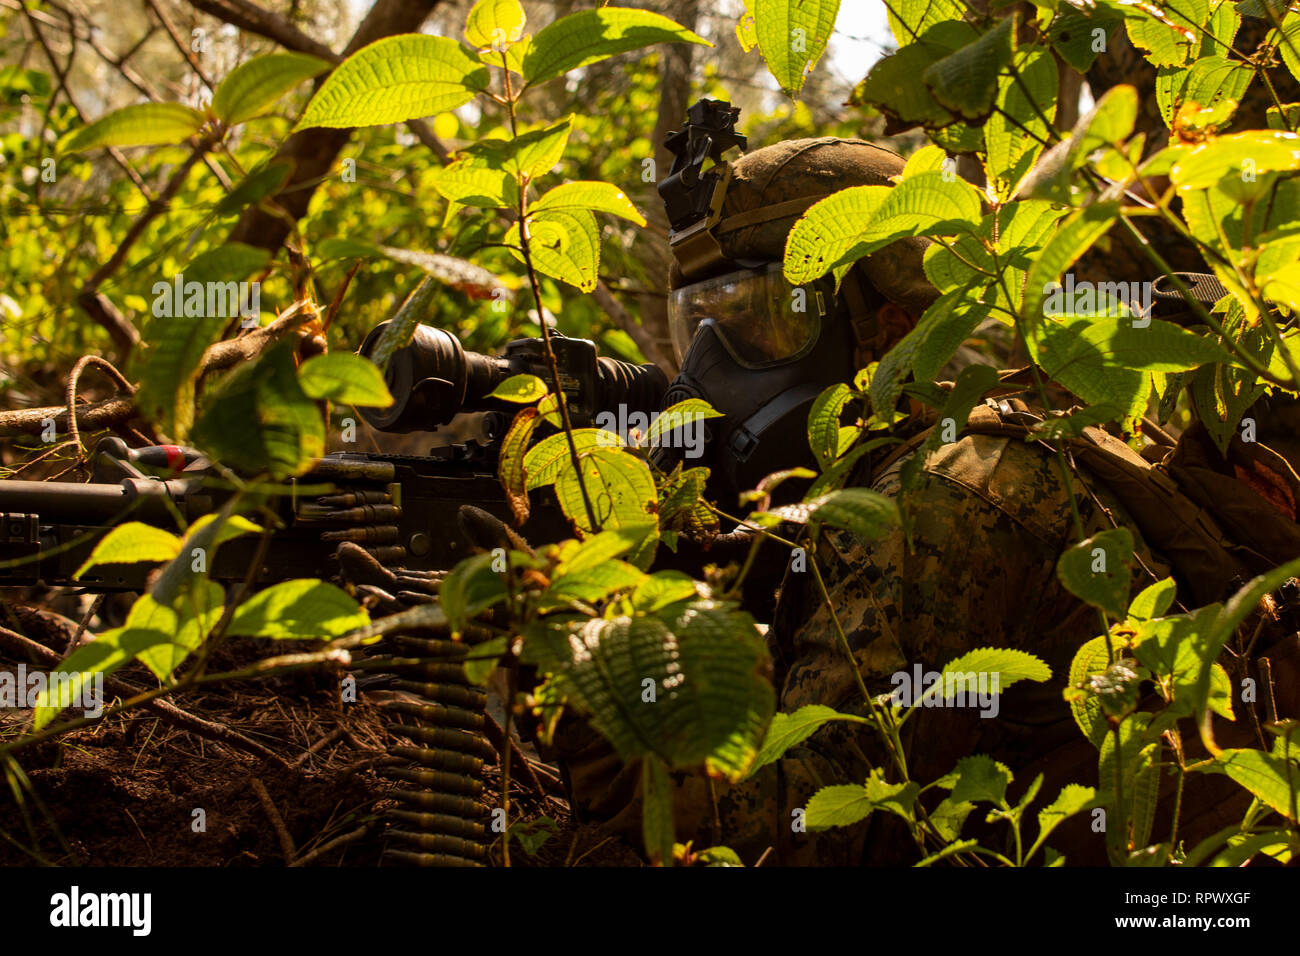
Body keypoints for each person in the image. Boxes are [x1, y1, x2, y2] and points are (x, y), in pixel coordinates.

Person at [549, 121, 1300, 866]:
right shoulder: (928, 466)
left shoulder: (942, 494)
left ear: (891, 330)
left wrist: (581, 647)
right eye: (704, 327)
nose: (709, 375)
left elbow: (801, 837)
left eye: (769, 324)